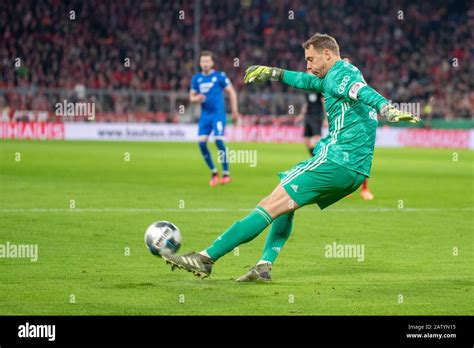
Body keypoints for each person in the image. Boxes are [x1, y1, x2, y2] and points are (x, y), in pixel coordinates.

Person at [164, 33, 419, 281]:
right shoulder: (338, 75)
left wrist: (387, 108)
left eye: (311, 59)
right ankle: (264, 265)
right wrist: (274, 73)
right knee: (286, 205)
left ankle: (206, 258)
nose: (307, 65)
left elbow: (361, 91)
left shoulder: (341, 75)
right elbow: (307, 81)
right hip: (354, 170)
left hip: (335, 162)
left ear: (327, 54)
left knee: (269, 204)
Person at [190, 51, 240, 186]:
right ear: (200, 63)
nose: (205, 64)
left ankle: (226, 173)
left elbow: (232, 92)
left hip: (218, 115)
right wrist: (197, 98)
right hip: (205, 116)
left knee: (218, 140)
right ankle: (214, 172)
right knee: (201, 143)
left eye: (207, 61)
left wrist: (235, 111)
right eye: (202, 61)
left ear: (212, 63)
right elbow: (191, 97)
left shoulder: (220, 76)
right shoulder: (196, 78)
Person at [296, 91, 327, 156]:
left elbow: (324, 103)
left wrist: (326, 118)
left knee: (317, 138)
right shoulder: (307, 91)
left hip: (317, 117)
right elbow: (306, 104)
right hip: (308, 117)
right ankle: (314, 156)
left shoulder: (318, 90)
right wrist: (301, 115)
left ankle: (321, 156)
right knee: (306, 140)